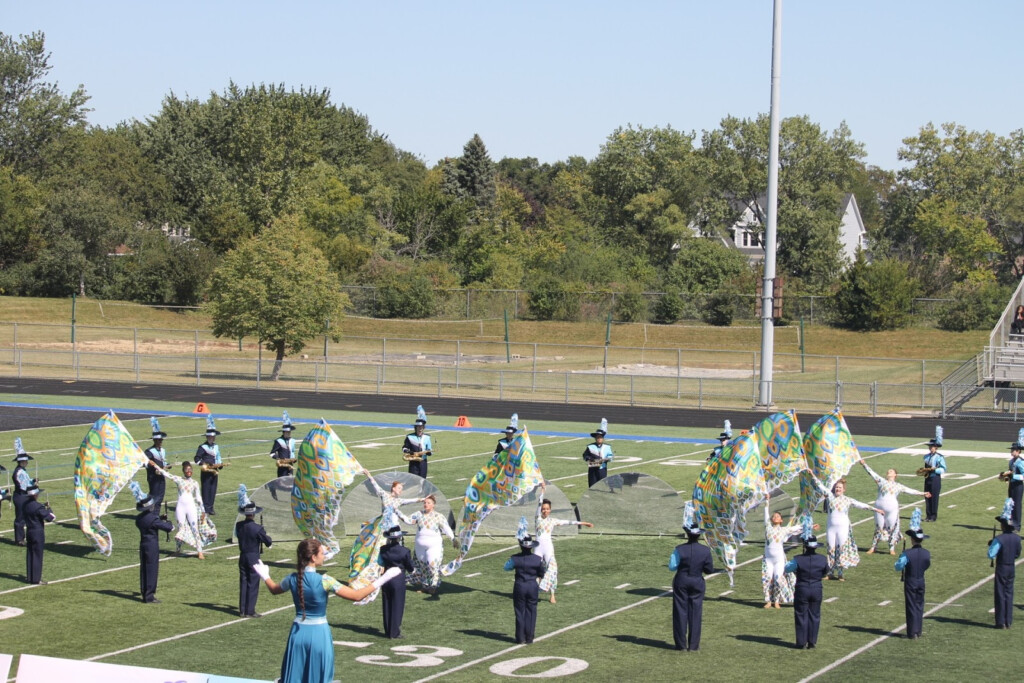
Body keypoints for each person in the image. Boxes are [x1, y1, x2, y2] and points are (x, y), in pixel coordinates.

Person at [253, 539, 401, 683]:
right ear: (313, 557)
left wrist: (266, 576)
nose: (324, 556)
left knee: (295, 676)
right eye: (322, 553)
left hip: (297, 634)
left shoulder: (292, 578)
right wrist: (384, 578)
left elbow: (274, 589)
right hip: (319, 634)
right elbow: (357, 595)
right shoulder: (325, 580)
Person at [813, 477, 882, 581]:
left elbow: (861, 505)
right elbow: (820, 486)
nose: (838, 489)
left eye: (840, 487)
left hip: (842, 528)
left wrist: (876, 509)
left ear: (844, 489)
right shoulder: (830, 497)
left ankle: (840, 573)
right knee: (830, 549)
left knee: (841, 549)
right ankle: (830, 572)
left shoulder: (848, 500)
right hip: (831, 528)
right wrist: (813, 475)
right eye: (836, 487)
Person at [535, 482, 593, 603]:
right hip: (538, 548)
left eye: (547, 509)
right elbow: (539, 502)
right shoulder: (538, 518)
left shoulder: (553, 521)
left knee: (553, 569)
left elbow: (568, 522)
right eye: (543, 509)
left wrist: (583, 523)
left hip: (548, 548)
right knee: (535, 570)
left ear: (550, 510)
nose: (545, 511)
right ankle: (535, 591)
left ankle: (552, 594)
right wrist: (543, 491)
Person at [859, 459, 931, 555]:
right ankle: (873, 547)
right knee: (879, 527)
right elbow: (871, 473)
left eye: (891, 471)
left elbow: (910, 490)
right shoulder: (881, 481)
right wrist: (864, 464)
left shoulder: (898, 486)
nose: (889, 472)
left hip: (892, 509)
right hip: (879, 508)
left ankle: (891, 548)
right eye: (888, 471)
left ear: (895, 475)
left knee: (892, 528)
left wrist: (922, 493)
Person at [669, 504, 715, 651]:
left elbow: (672, 566)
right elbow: (709, 570)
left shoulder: (679, 549)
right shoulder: (705, 550)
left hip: (681, 580)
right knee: (695, 612)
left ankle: (681, 645)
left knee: (680, 611)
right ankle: (694, 645)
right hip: (697, 580)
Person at [156, 461, 216, 559]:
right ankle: (178, 550)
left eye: (190, 469)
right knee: (181, 529)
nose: (189, 471)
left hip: (191, 507)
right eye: (187, 469)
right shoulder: (179, 480)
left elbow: (198, 497)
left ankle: (200, 551)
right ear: (183, 471)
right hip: (180, 507)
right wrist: (156, 466)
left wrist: (203, 511)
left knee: (195, 529)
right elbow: (167, 474)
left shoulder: (194, 483)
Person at [762, 505, 815, 608]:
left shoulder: (784, 530)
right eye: (774, 516)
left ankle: (776, 600)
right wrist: (767, 501)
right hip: (768, 559)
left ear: (781, 520)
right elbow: (766, 514)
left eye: (778, 516)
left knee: (778, 579)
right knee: (767, 579)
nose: (775, 517)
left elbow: (797, 527)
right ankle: (768, 600)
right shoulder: (768, 528)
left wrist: (811, 526)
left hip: (779, 559)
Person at [786, 520, 829, 649]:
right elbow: (826, 571)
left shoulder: (798, 559)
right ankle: (812, 641)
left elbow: (787, 568)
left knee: (801, 614)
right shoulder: (822, 559)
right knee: (814, 614)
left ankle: (801, 642)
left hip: (802, 587)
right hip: (816, 588)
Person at [131, 481, 173, 603]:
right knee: (152, 569)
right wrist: (167, 522)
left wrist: (160, 519)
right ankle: (149, 595)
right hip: (152, 545)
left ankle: (145, 592)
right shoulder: (152, 519)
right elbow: (169, 528)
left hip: (143, 543)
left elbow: (150, 522)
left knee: (144, 568)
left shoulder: (140, 518)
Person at [408, 494, 455, 597]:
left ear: (433, 505)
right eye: (425, 502)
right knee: (423, 565)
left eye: (428, 503)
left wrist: (453, 539)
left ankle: (433, 586)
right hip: (420, 545)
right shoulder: (418, 514)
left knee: (432, 565)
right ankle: (425, 586)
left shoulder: (438, 516)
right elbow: (407, 520)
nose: (426, 504)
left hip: (434, 545)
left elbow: (446, 528)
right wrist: (396, 513)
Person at [236, 486, 272, 617]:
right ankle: (250, 610)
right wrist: (267, 537)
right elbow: (267, 542)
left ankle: (242, 610)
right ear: (254, 514)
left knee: (244, 582)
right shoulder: (257, 528)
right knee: (253, 582)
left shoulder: (239, 526)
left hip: (242, 555)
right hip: (253, 557)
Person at [505, 533, 545, 645]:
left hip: (519, 586)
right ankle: (529, 637)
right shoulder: (537, 559)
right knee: (531, 611)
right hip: (532, 585)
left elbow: (506, 567)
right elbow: (542, 573)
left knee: (519, 612)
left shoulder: (515, 558)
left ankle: (520, 638)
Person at [894, 514, 930, 639]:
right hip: (921, 579)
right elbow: (927, 565)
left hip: (910, 580)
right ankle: (918, 631)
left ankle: (912, 632)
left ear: (912, 540)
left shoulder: (907, 553)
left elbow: (898, 566)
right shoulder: (926, 553)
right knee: (919, 604)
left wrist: (901, 558)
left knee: (911, 605)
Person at [988, 499, 1020, 629]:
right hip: (1011, 567)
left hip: (1001, 567)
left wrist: (991, 544)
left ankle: (1000, 621)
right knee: (1009, 593)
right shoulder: (1017, 538)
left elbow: (991, 554)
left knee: (1000, 593)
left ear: (1003, 526)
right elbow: (1018, 553)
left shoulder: (999, 539)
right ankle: (1008, 620)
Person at [377, 525, 414, 639]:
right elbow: (410, 568)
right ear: (399, 538)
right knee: (397, 605)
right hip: (398, 580)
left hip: (386, 579)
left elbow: (380, 562)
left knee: (387, 604)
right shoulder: (405, 551)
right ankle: (394, 632)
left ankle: (388, 630)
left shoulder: (383, 549)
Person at [194, 416, 227, 515]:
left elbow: (218, 456)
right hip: (206, 470)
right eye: (210, 437)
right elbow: (196, 459)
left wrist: (220, 464)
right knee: (206, 489)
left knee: (213, 489)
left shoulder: (216, 446)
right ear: (207, 437)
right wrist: (204, 464)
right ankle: (205, 508)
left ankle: (211, 507)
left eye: (213, 437)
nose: (212, 438)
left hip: (214, 471)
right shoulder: (202, 447)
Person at [23, 484, 55, 585]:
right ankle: (36, 579)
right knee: (37, 555)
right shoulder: (38, 507)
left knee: (30, 554)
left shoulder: (25, 505)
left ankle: (30, 576)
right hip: (37, 532)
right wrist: (48, 508)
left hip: (29, 531)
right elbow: (51, 518)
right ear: (35, 495)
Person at [919, 427, 946, 522]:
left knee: (934, 497)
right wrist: (924, 471)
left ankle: (933, 516)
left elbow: (943, 469)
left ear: (936, 447)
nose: (931, 448)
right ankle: (928, 515)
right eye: (930, 447)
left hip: (935, 479)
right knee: (927, 496)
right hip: (927, 479)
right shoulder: (926, 457)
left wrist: (935, 470)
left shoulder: (940, 457)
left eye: (932, 447)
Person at [1001, 431, 1024, 532]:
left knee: (1017, 504)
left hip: (1018, 485)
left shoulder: (1021, 462)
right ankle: (1010, 523)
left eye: (1013, 450)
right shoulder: (1011, 461)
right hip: (1011, 484)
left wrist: (1013, 476)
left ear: (1018, 451)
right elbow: (1009, 474)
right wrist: (1004, 477)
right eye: (1011, 450)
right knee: (1010, 503)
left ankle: (1017, 525)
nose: (1011, 452)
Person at [11, 440, 33, 546]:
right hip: (21, 496)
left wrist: (33, 481)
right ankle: (19, 539)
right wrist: (33, 486)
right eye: (26, 461)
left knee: (25, 517)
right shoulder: (19, 472)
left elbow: (27, 482)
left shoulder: (22, 471)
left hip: (23, 495)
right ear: (22, 461)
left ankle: (23, 537)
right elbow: (24, 486)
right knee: (20, 518)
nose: (27, 462)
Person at [144, 417, 169, 508]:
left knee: (160, 497)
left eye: (161, 440)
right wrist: (151, 466)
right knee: (153, 496)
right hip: (153, 478)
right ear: (154, 440)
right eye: (159, 440)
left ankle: (156, 515)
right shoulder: (149, 451)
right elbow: (144, 463)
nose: (160, 442)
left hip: (161, 476)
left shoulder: (163, 450)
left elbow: (163, 461)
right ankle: (151, 513)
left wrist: (167, 466)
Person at [402, 405, 432, 479]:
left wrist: (427, 452)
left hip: (423, 462)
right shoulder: (409, 437)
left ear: (423, 428)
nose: (420, 429)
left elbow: (430, 450)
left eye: (421, 427)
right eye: (418, 427)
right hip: (413, 461)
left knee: (423, 480)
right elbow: (404, 448)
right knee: (413, 480)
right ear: (415, 428)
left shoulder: (427, 437)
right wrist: (410, 452)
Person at [582, 418, 614, 487]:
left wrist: (605, 459)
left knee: (602, 486)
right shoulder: (590, 446)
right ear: (595, 438)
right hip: (592, 468)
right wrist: (589, 458)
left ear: (603, 438)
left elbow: (610, 457)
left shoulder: (607, 447)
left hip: (602, 469)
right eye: (598, 437)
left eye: (600, 437)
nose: (599, 439)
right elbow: (585, 455)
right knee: (592, 486)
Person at [270, 412, 298, 478]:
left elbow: (292, 452)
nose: (289, 433)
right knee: (282, 482)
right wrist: (279, 459)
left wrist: (293, 459)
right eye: (287, 432)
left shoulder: (292, 441)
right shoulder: (278, 441)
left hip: (290, 465)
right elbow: (272, 453)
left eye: (289, 432)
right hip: (282, 466)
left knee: (290, 482)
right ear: (284, 432)